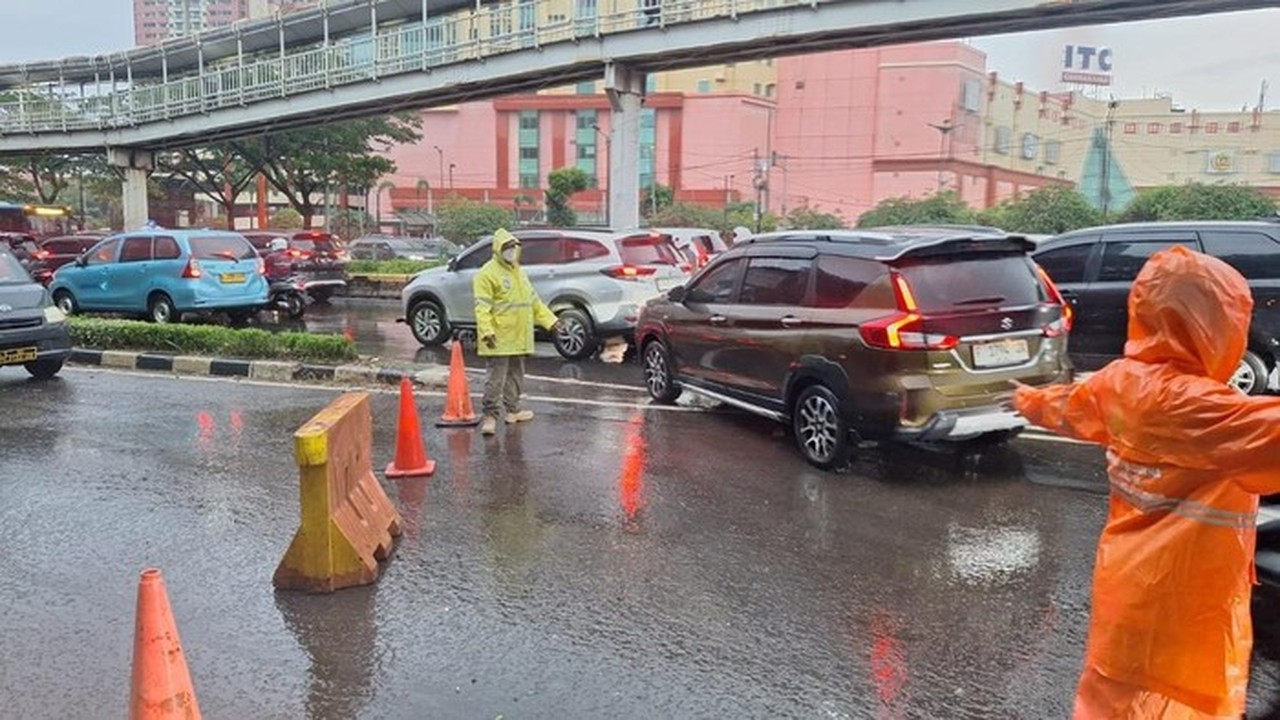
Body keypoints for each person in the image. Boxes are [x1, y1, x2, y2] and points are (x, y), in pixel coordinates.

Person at [1013, 245, 1280, 719]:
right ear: (1216, 324)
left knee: (1111, 703)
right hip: (1186, 608)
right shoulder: (1199, 409)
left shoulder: (1119, 383)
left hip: (1126, 589)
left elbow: (1068, 406)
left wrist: (1025, 399)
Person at [474, 228, 559, 437]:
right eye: (507, 247)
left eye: (514, 247)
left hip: (518, 335)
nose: (511, 251)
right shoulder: (487, 273)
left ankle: (512, 410)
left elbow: (533, 302)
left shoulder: (519, 272)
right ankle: (490, 416)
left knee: (515, 375)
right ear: (497, 249)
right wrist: (487, 332)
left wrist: (551, 321)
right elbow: (482, 307)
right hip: (499, 336)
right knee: (496, 378)